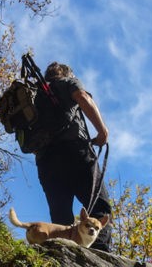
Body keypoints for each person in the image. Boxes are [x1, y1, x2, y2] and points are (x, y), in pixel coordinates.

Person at [34, 62, 112, 251]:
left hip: (46, 161)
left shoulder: (34, 95)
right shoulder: (66, 82)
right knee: (100, 208)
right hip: (75, 152)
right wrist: (102, 131)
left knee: (61, 216)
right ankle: (101, 259)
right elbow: (81, 96)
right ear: (65, 73)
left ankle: (64, 261)